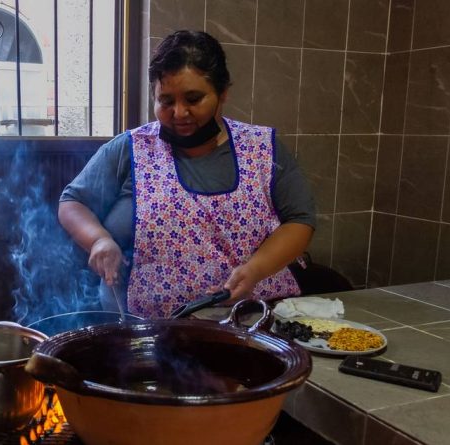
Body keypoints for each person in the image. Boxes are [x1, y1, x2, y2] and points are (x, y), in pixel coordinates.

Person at [59, 30, 315, 319]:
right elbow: (72, 202)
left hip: (249, 322)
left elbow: (300, 220)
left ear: (223, 93)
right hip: (148, 329)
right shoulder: (131, 148)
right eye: (166, 101)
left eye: (193, 99)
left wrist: (256, 269)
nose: (179, 113)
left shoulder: (262, 149)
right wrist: (98, 240)